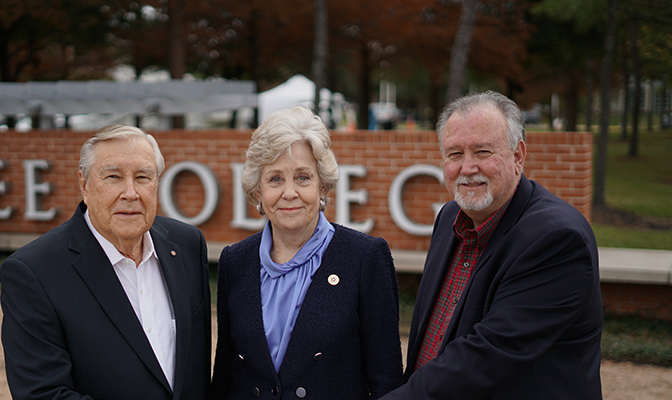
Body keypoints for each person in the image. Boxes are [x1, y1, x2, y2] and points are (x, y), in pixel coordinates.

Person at [380, 91, 603, 399]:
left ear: (518, 155)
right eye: (455, 154)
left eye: (483, 152)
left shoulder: (557, 239)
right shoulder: (450, 218)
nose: (468, 167)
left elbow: (488, 354)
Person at [0, 124, 211, 400]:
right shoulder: (33, 272)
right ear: (84, 185)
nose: (130, 193)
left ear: (157, 183)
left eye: (143, 177)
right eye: (113, 177)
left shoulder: (187, 245)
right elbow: (42, 393)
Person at [211, 107, 404, 399]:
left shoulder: (364, 258)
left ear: (322, 186)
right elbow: (225, 375)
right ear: (257, 192)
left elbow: (386, 382)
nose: (289, 193)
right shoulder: (235, 262)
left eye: (302, 177)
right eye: (275, 179)